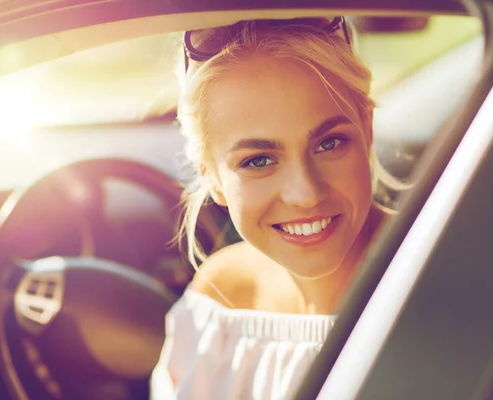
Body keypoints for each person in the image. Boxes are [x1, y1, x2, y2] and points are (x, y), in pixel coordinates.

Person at [151, 16, 390, 400]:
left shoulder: (447, 279)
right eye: (258, 161)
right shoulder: (220, 301)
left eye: (329, 143)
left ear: (368, 129)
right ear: (211, 177)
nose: (306, 194)